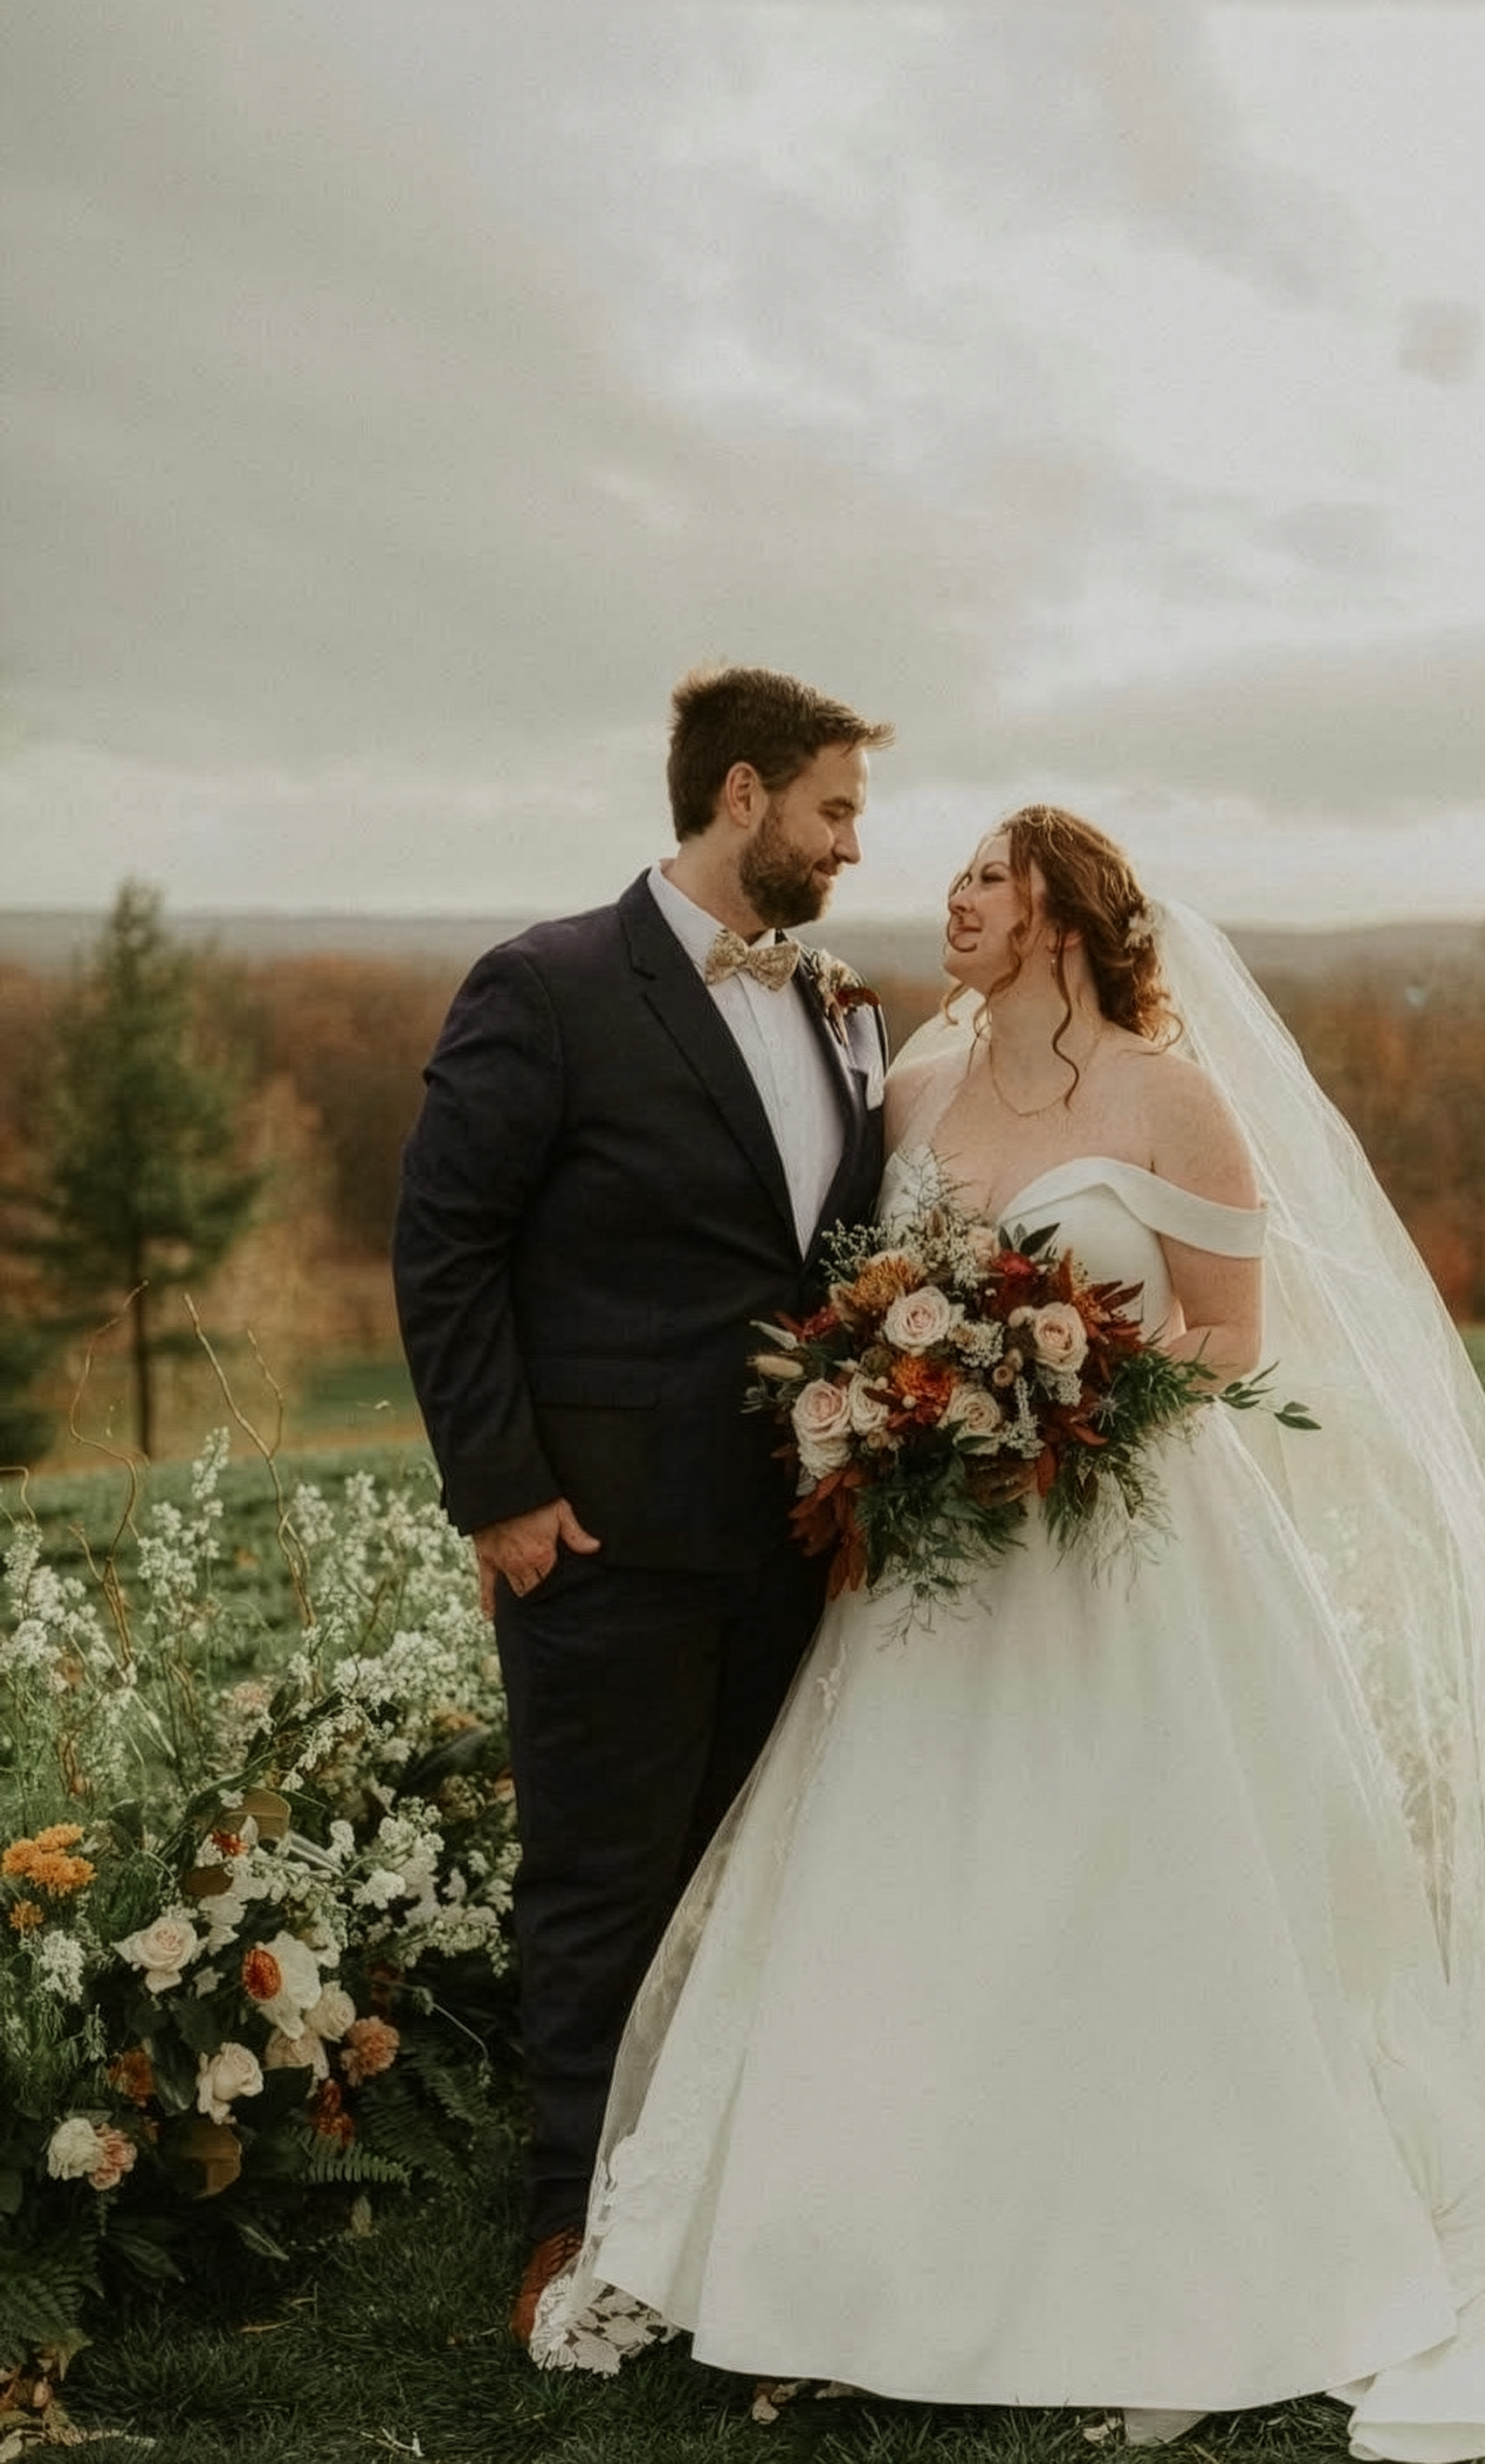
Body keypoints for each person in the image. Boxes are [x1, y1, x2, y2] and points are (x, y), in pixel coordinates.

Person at [529, 805, 1485, 2454]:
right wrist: (911, 1416)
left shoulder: (1173, 1096)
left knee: (1131, 1887)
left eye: (989, 878)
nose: (955, 898)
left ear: (1065, 912)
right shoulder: (912, 1082)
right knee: (908, 1895)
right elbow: (855, 1300)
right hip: (935, 1582)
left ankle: (1156, 2259)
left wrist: (1062, 1407)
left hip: (1128, 1554)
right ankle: (851, 2264)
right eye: (957, 878)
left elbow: (1225, 1338)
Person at [392, 664, 894, 2343]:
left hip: (795, 1537)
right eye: (833, 809)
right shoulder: (542, 985)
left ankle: (714, 2207)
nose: (849, 844)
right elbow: (444, 1244)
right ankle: (567, 2226)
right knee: (601, 1887)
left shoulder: (837, 1002)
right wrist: (504, 1493)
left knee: (740, 1879)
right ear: (742, 795)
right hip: (598, 1533)